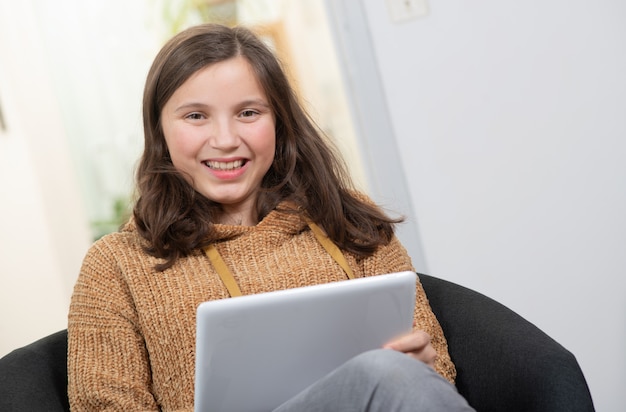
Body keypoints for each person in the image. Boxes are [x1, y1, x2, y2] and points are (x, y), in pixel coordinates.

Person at [67, 23, 474, 411]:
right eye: (196, 116)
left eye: (248, 113)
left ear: (279, 122)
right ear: (159, 130)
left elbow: (437, 379)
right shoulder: (115, 265)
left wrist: (421, 366)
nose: (225, 140)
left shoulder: (349, 221)